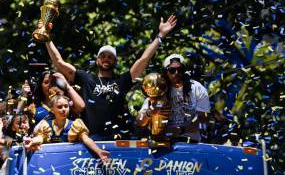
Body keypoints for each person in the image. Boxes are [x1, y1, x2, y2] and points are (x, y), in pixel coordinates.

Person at [45, 15, 178, 139]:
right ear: (97, 60)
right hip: (90, 140)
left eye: (110, 57)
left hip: (117, 139)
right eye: (103, 56)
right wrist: (46, 37)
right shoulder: (86, 78)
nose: (106, 59)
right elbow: (58, 62)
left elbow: (144, 59)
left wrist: (160, 35)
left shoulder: (122, 81)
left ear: (115, 61)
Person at [136, 54, 211, 142]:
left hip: (191, 143)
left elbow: (204, 119)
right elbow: (139, 121)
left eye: (180, 69)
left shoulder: (197, 88)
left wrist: (180, 130)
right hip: (162, 144)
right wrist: (150, 112)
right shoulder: (157, 88)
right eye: (172, 70)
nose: (176, 73)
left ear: (184, 71)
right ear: (165, 72)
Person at [23, 94, 110, 164]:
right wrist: (32, 141)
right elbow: (40, 138)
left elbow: (86, 139)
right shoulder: (46, 125)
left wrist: (99, 151)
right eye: (59, 107)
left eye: (66, 106)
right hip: (49, 164)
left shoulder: (75, 125)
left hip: (69, 164)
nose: (64, 109)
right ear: (52, 110)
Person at [21, 71, 85, 122]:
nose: (50, 85)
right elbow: (18, 117)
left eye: (53, 82)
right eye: (46, 82)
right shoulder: (34, 106)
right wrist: (24, 96)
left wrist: (67, 86)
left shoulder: (67, 103)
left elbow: (81, 107)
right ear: (41, 86)